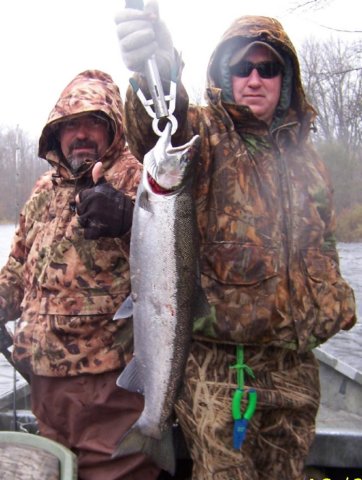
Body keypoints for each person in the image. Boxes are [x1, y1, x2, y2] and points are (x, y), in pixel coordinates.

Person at [114, 4, 357, 479]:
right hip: (221, 375)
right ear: (226, 74)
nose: (253, 78)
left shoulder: (310, 161)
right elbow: (157, 126)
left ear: (284, 79)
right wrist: (156, 69)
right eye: (241, 67)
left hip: (295, 370)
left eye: (267, 68)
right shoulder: (204, 135)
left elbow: (324, 250)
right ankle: (153, 428)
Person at [0, 69, 161, 480]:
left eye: (94, 122)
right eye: (71, 124)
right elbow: (18, 268)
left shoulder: (138, 178)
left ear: (113, 128)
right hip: (44, 385)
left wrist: (130, 221)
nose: (82, 133)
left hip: (109, 388)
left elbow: (171, 264)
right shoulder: (44, 190)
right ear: (57, 133)